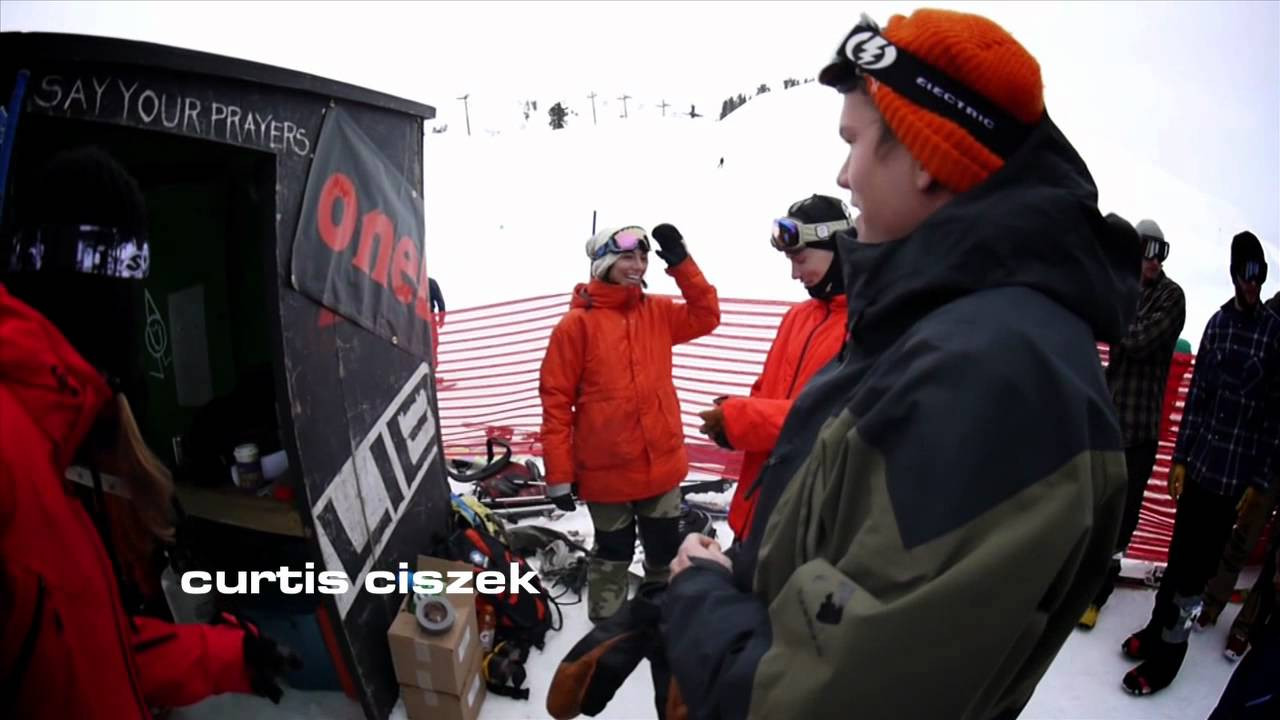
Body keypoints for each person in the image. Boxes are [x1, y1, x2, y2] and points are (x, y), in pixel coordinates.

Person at [660, 9, 1139, 719]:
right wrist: (735, 575)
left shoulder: (997, 376)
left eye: (854, 142)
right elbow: (849, 553)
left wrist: (699, 608)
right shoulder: (937, 326)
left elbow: (830, 697)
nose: (844, 173)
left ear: (924, 155)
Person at [0, 147, 298, 719]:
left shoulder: (55, 455)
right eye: (130, 277)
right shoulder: (11, 462)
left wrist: (228, 655)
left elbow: (90, 658)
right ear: (93, 288)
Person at [1121, 230, 1280, 695]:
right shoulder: (1217, 324)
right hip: (1202, 466)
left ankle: (1170, 655)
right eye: (1243, 273)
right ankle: (1155, 632)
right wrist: (1180, 460)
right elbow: (1197, 400)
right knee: (1176, 560)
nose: (1251, 282)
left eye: (1258, 272)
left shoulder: (1274, 333)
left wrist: (1260, 480)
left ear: (1263, 274)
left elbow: (1275, 415)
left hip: (1235, 479)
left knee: (1196, 574)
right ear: (1233, 275)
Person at [538, 223, 719, 622]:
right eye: (626, 257)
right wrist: (558, 474)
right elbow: (556, 403)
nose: (637, 265)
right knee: (613, 553)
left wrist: (681, 262)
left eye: (643, 257)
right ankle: (608, 632)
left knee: (663, 552)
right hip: (607, 475)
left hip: (661, 466)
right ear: (604, 262)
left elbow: (707, 315)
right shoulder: (576, 326)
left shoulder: (656, 312)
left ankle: (663, 618)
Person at [697, 194, 852, 542]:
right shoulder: (798, 316)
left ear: (839, 246)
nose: (795, 273)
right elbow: (764, 392)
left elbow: (828, 421)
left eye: (800, 258)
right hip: (756, 510)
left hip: (804, 523)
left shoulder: (865, 323)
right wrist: (732, 422)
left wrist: (740, 420)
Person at [1079, 219, 1185, 629]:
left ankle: (1097, 593)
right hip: (1106, 420)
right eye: (1146, 251)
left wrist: (1112, 313)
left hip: (1138, 431)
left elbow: (1138, 339)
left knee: (1122, 518)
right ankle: (1074, 582)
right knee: (1089, 505)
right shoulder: (1122, 287)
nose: (1153, 261)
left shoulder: (1171, 297)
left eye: (1160, 251)